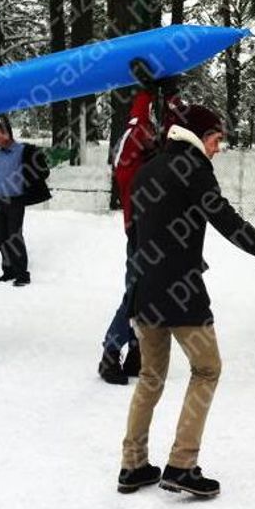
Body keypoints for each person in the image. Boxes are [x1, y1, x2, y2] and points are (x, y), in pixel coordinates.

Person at [117, 104, 255, 497]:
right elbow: (226, 221)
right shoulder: (194, 168)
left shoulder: (148, 168)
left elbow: (135, 232)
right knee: (207, 369)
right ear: (196, 137)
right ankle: (181, 465)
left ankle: (133, 465)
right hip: (182, 292)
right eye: (215, 138)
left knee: (151, 378)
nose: (218, 147)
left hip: (145, 289)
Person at [99, 83, 183, 385]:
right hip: (140, 234)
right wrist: (146, 94)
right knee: (136, 296)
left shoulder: (165, 156)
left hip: (165, 236)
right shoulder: (131, 160)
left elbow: (177, 131)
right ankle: (111, 351)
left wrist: (171, 97)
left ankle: (136, 352)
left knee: (151, 298)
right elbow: (138, 126)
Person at [0, 116, 51, 287]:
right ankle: (8, 270)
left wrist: (35, 169)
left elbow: (41, 170)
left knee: (14, 237)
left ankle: (22, 273)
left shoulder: (24, 151)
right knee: (1, 238)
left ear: (7, 134)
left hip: (16, 201)